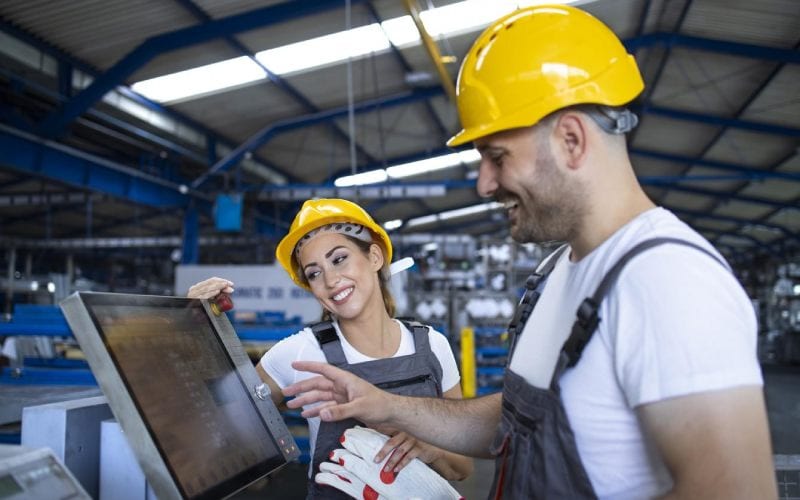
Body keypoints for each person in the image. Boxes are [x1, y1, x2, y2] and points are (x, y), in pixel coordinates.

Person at [280, 5, 777, 499]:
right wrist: (386, 406)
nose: (483, 184)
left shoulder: (668, 281)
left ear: (571, 140)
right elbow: (518, 421)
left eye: (497, 157)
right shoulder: (558, 270)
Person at [187, 198, 472, 498]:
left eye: (339, 259)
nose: (331, 280)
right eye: (314, 273)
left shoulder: (432, 347)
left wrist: (431, 449)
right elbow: (218, 420)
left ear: (374, 257)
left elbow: (462, 467)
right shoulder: (299, 354)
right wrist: (196, 327)